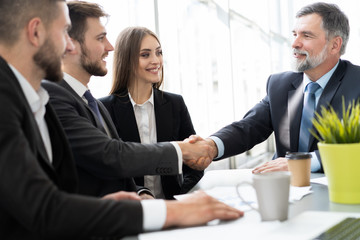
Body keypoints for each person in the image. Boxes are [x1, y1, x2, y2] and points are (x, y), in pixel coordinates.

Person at [0, 0, 243, 239]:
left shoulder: (54, 98)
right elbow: (47, 205)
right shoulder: (19, 97)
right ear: (35, 32)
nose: (110, 46)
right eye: (64, 31)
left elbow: (58, 188)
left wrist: (136, 195)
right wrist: (168, 209)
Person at [42, 1, 210, 198]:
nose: (110, 47)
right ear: (69, 43)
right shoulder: (53, 97)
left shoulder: (92, 104)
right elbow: (111, 155)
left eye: (158, 52)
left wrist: (142, 192)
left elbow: (114, 173)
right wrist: (182, 150)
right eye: (100, 38)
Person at [188, 2, 360, 173]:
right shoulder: (280, 84)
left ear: (335, 45)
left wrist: (304, 163)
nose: (295, 43)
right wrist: (212, 145)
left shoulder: (356, 82)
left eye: (306, 36)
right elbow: (250, 127)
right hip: (284, 188)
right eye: (294, 34)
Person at [99, 27, 203, 199]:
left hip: (174, 208)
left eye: (159, 53)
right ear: (127, 60)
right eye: (145, 55)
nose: (156, 61)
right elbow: (109, 169)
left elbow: (194, 164)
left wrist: (178, 197)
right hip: (132, 208)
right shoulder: (105, 109)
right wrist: (140, 193)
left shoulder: (175, 104)